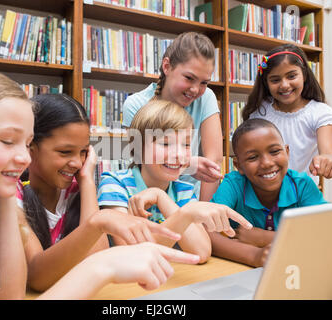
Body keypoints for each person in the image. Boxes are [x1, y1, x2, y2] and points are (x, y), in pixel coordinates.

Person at [0, 67, 202, 299]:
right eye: (8, 141)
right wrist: (100, 267)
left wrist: (2, 198)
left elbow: (2, 294)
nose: (22, 156)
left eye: (26, 143)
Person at [17, 94, 183, 292]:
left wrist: (87, 181)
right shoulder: (14, 196)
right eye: (64, 152)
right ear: (30, 148)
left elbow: (97, 258)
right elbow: (38, 278)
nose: (78, 163)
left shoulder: (78, 190)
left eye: (83, 152)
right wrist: (96, 223)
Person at [98, 100, 252, 264]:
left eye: (186, 144)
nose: (178, 154)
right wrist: (184, 215)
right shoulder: (115, 184)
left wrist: (160, 197)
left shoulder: (183, 190)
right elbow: (133, 254)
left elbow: (201, 252)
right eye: (165, 143)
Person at [209, 118, 327, 267]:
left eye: (275, 151)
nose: (267, 163)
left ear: (287, 152)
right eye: (252, 157)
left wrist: (264, 238)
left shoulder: (302, 185)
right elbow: (207, 231)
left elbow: (324, 235)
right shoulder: (233, 185)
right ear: (238, 166)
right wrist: (254, 256)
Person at [122, 32, 223, 202]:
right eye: (189, 78)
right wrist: (188, 165)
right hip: (147, 198)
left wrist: (204, 214)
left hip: (192, 199)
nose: (195, 89)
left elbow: (213, 164)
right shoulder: (135, 104)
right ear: (167, 66)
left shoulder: (206, 98)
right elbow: (140, 160)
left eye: (204, 82)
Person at [242, 44, 332, 183]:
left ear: (304, 75)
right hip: (263, 193)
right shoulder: (259, 112)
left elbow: (328, 153)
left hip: (301, 195)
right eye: (275, 80)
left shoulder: (320, 113)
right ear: (266, 83)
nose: (284, 85)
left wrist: (327, 160)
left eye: (291, 76)